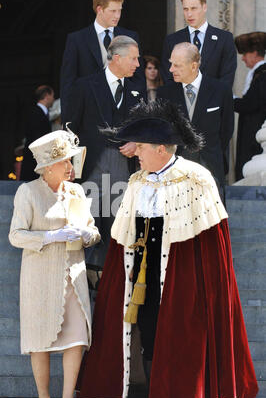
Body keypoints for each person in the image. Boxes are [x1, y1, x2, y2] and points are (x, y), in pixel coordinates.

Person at [75, 99, 258, 398]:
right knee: (151, 333)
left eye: (142, 147)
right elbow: (125, 234)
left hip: (184, 272)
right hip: (144, 271)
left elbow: (210, 241)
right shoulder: (137, 182)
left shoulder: (195, 178)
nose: (138, 153)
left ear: (161, 148)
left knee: (186, 336)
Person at [9, 128, 100, 398]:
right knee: (41, 342)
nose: (71, 168)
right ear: (48, 167)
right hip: (40, 279)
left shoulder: (76, 191)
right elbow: (16, 236)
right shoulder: (28, 192)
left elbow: (93, 232)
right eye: (65, 162)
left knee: (76, 339)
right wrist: (50, 235)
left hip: (73, 276)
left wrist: (87, 234)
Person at [66, 35, 146, 271]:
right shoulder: (84, 86)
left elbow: (143, 128)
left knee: (117, 232)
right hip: (91, 170)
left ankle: (111, 289)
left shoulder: (137, 90)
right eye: (134, 58)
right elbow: (71, 130)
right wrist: (72, 169)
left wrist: (137, 143)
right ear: (117, 58)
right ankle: (84, 287)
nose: (138, 64)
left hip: (123, 170)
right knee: (86, 231)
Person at [60, 0, 145, 123]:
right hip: (89, 117)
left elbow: (139, 80)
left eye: (119, 10)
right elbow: (68, 84)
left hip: (124, 116)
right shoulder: (77, 40)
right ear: (99, 9)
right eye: (113, 11)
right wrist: (68, 124)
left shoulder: (131, 36)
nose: (117, 15)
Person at [157, 42, 234, 191]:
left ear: (194, 66)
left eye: (177, 65)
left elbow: (226, 130)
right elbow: (162, 131)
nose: (171, 69)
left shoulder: (221, 90)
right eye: (171, 64)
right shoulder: (164, 93)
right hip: (174, 170)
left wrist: (209, 150)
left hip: (211, 167)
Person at [161, 0, 237, 87]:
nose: (189, 14)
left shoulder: (224, 39)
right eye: (185, 9)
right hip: (181, 101)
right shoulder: (172, 40)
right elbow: (168, 77)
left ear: (204, 7)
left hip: (213, 101)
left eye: (193, 8)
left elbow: (227, 78)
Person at [234, 31, 266, 181]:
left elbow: (251, 104)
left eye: (245, 53)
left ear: (254, 53)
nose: (243, 58)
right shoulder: (258, 74)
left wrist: (229, 100)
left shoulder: (262, 74)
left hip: (255, 137)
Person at [20, 85, 54, 181]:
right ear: (47, 95)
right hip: (35, 161)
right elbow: (37, 137)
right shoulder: (35, 112)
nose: (53, 99)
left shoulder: (41, 113)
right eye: (52, 96)